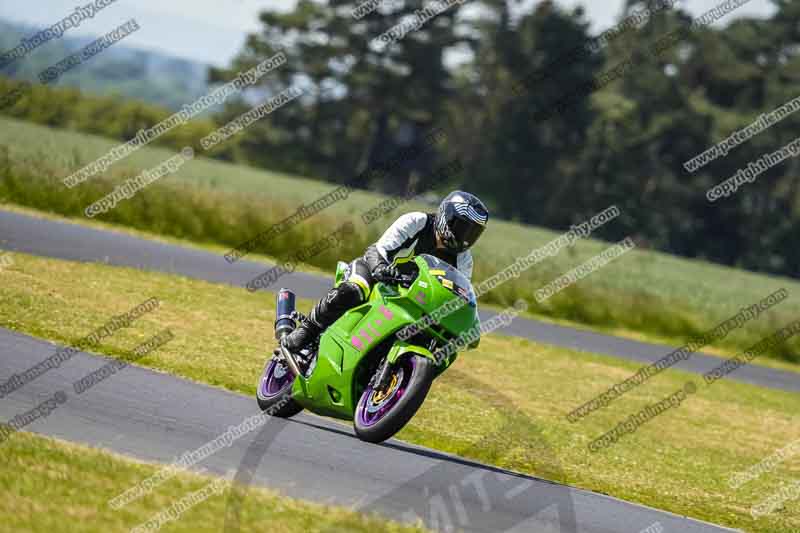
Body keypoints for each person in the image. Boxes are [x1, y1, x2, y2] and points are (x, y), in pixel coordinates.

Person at [280, 190, 489, 354]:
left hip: (411, 299)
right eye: (462, 228)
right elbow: (377, 250)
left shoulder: (464, 260)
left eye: (473, 233)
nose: (465, 238)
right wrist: (380, 268)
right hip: (376, 274)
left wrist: (466, 324)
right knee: (356, 288)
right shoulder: (416, 222)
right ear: (447, 217)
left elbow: (457, 297)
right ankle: (306, 331)